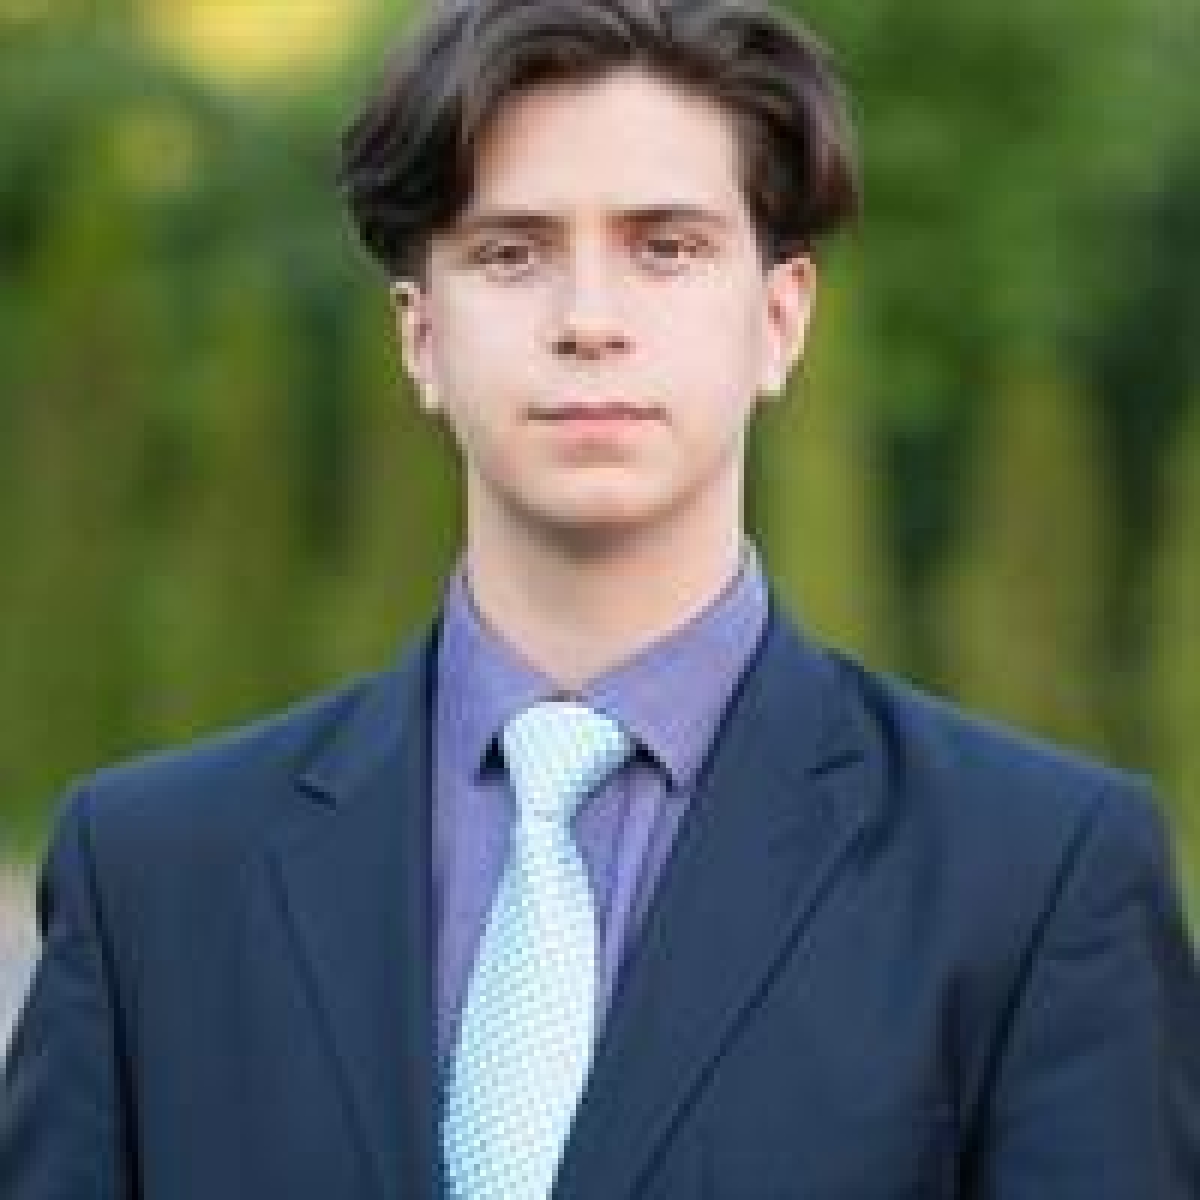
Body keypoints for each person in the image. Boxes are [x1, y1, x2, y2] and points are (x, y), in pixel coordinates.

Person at [2, 0, 1198, 1195]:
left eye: (665, 248)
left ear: (781, 318)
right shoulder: (153, 877)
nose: (588, 321)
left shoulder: (1036, 878)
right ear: (420, 338)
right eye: (511, 254)